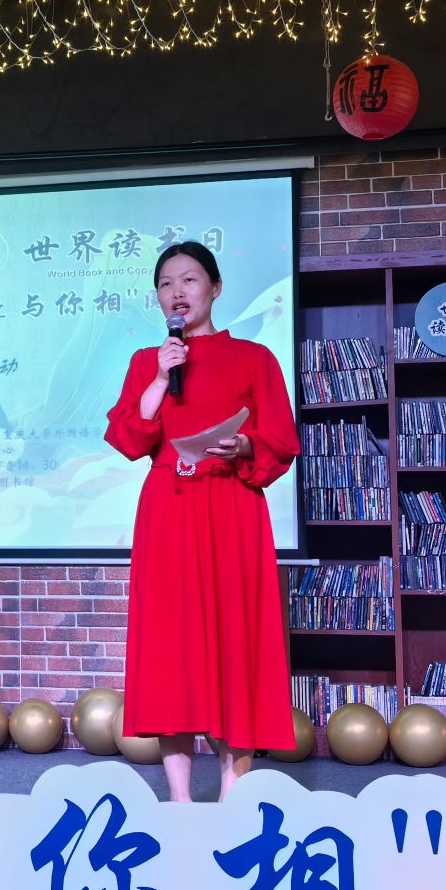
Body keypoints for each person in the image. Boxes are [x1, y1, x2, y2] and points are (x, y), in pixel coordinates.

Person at [102, 241, 300, 801]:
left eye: (189, 280)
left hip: (231, 506)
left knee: (238, 640)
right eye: (166, 284)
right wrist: (160, 378)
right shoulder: (148, 360)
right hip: (169, 508)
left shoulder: (254, 358)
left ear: (215, 288)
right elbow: (129, 438)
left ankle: (236, 797)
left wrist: (245, 445)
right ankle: (181, 800)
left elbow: (281, 440)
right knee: (173, 646)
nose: (177, 292)